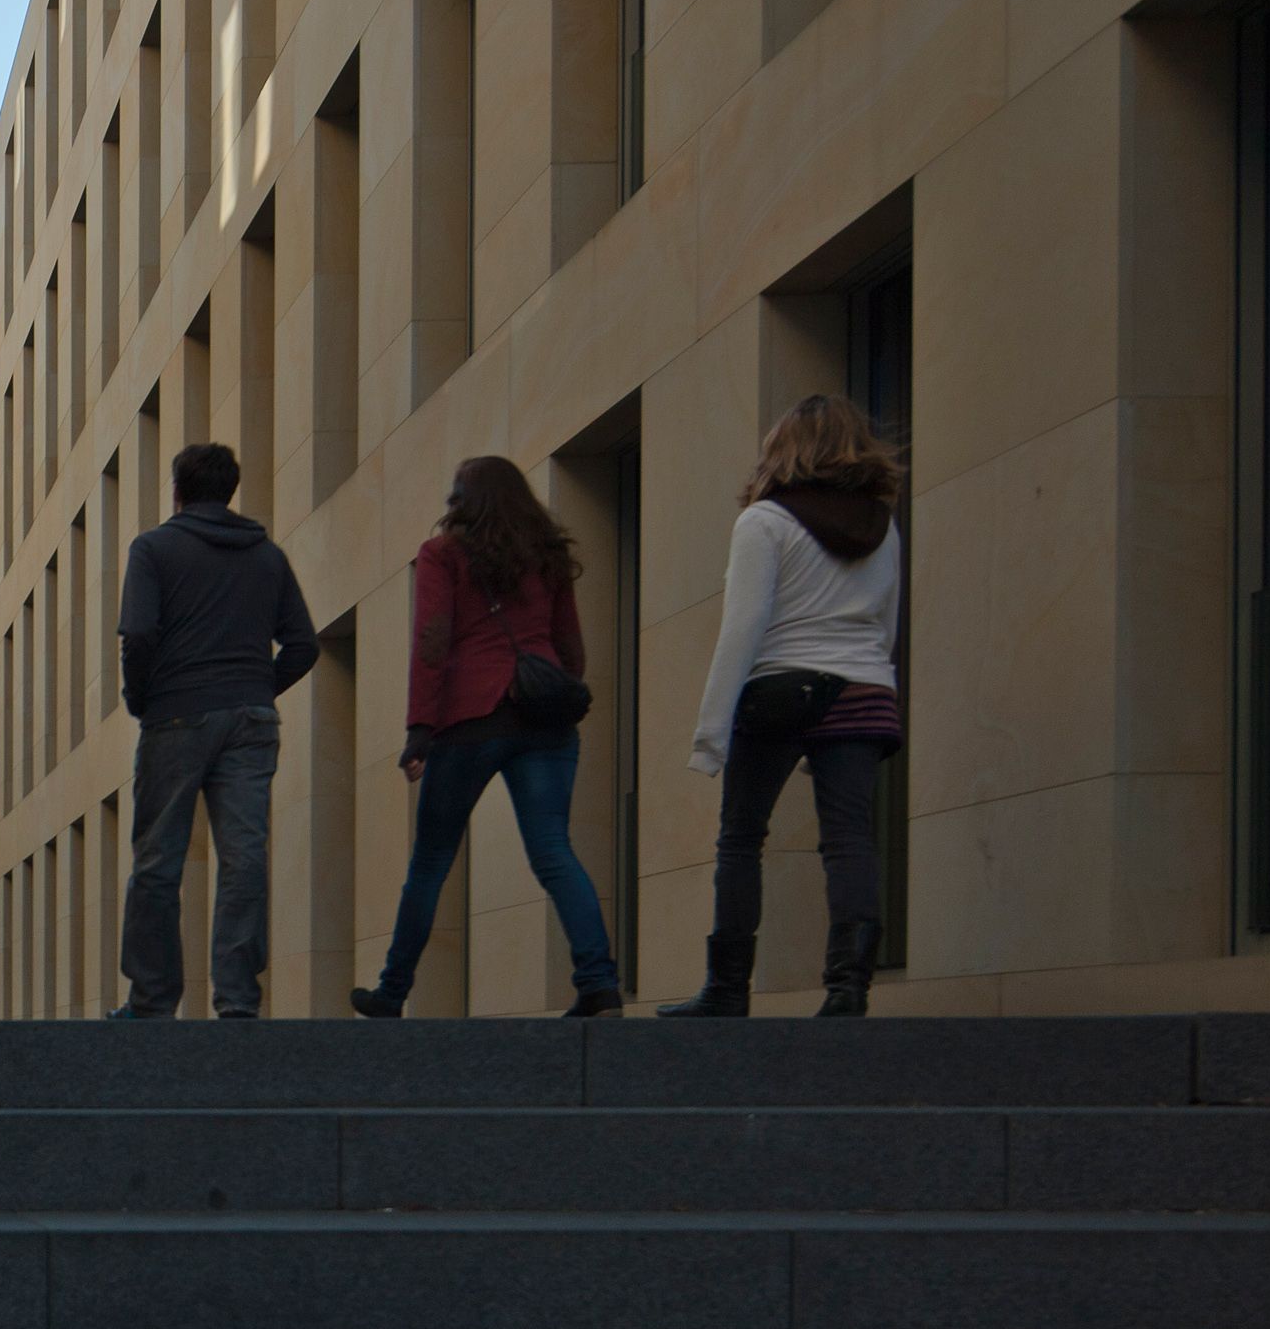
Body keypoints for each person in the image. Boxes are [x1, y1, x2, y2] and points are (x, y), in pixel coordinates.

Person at [659, 393, 907, 1020]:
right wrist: (876, 679)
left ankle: (726, 989)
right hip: (864, 687)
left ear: (782, 448)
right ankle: (849, 988)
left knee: (741, 838)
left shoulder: (764, 522)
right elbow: (887, 619)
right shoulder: (883, 525)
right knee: (850, 838)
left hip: (781, 690)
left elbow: (743, 626)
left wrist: (710, 734)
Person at [352, 455, 623, 1019]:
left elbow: (433, 638)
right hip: (544, 719)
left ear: (460, 501)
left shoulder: (444, 554)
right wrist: (558, 691)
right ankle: (598, 982)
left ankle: (393, 991)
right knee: (554, 851)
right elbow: (569, 644)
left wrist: (419, 728)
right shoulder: (546, 553)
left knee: (430, 862)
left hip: (470, 719)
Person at [105, 442, 318, 1019]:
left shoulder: (153, 549)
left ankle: (152, 1001)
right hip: (250, 721)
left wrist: (142, 697)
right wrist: (255, 688)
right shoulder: (267, 556)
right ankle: (239, 1001)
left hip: (175, 713)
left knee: (158, 862)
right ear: (229, 490)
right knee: (244, 859)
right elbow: (303, 645)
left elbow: (139, 635)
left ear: (178, 489)